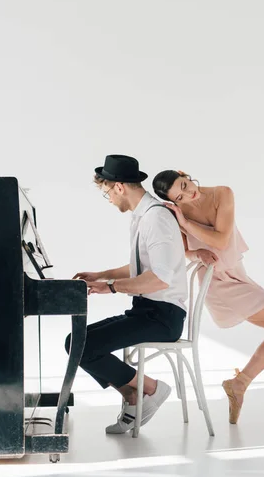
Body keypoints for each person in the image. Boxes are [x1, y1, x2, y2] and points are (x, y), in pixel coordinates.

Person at [152, 170, 264, 427]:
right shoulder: (178, 213)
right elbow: (184, 253)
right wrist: (197, 251)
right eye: (180, 197)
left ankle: (239, 383)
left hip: (235, 272)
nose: (188, 195)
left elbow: (223, 240)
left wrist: (187, 224)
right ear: (174, 202)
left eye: (184, 185)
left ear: (184, 174)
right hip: (215, 280)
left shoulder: (222, 194)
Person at [66, 155, 188, 434]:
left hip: (163, 317)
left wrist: (109, 287)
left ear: (119, 187)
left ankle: (150, 389)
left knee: (81, 346)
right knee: (76, 342)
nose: (109, 198)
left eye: (107, 192)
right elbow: (139, 266)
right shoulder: (144, 215)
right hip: (147, 311)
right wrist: (101, 275)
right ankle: (134, 394)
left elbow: (159, 279)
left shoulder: (156, 217)